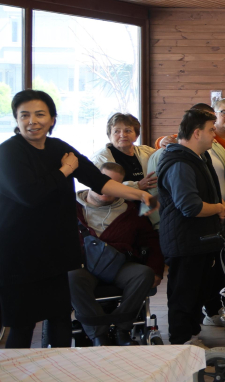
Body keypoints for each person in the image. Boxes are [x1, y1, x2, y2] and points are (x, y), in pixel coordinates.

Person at [1, 91, 155, 350]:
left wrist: (138, 194)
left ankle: (60, 370)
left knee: (60, 317)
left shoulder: (59, 148)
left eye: (40, 114)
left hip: (57, 249)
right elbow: (30, 195)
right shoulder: (9, 152)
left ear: (52, 119)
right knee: (22, 324)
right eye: (24, 115)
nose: (32, 121)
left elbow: (99, 181)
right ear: (16, 119)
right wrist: (65, 170)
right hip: (20, 252)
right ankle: (15, 375)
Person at [157, 108, 225, 347]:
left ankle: (191, 335)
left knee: (196, 291)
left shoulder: (198, 158)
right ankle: (182, 342)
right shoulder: (180, 163)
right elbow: (190, 206)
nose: (215, 135)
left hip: (198, 238)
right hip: (185, 240)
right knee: (184, 294)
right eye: (211, 130)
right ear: (197, 133)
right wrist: (218, 208)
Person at [69, 162, 163, 346]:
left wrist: (156, 269)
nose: (106, 191)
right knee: (70, 277)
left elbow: (151, 240)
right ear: (93, 180)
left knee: (144, 273)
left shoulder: (130, 210)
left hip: (120, 264)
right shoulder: (70, 208)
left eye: (113, 186)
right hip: (83, 266)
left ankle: (122, 329)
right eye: (104, 183)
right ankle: (99, 334)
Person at [92, 112, 156, 191]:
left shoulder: (146, 151)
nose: (123, 135)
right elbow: (103, 186)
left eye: (128, 131)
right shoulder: (100, 158)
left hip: (147, 197)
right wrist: (137, 185)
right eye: (116, 131)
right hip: (117, 199)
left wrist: (161, 141)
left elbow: (163, 154)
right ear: (109, 136)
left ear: (136, 136)